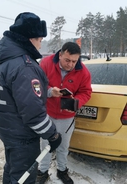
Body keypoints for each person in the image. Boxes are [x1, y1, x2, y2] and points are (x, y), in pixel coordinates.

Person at [0, 12, 62, 184]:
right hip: (23, 137)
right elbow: (32, 111)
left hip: (8, 132)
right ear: (30, 39)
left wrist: (49, 92)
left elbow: (16, 95)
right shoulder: (23, 66)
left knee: (13, 171)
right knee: (24, 178)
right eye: (39, 39)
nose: (40, 43)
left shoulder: (1, 61)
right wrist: (52, 135)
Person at [36, 42, 92, 184]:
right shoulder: (46, 63)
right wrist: (49, 91)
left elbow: (86, 92)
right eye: (67, 60)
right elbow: (37, 83)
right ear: (60, 55)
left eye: (74, 61)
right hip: (47, 114)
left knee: (63, 146)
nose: (71, 64)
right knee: (45, 145)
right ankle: (42, 172)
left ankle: (62, 170)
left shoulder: (83, 71)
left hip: (67, 117)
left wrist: (76, 103)